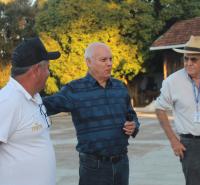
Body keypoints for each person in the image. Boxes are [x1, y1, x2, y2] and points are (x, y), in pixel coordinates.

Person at [43, 42, 140, 185]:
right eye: (103, 60)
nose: (109, 64)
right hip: (94, 167)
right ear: (88, 62)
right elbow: (46, 105)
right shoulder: (75, 89)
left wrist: (134, 126)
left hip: (122, 164)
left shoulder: (120, 87)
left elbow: (131, 115)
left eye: (110, 59)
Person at [155, 35, 200, 185]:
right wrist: (174, 141)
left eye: (193, 59)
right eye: (186, 58)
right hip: (190, 144)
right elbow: (160, 109)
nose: (188, 63)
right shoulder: (172, 82)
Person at [0, 37, 60, 185]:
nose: (49, 73)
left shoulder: (35, 96)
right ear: (36, 70)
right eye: (48, 68)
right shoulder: (8, 101)